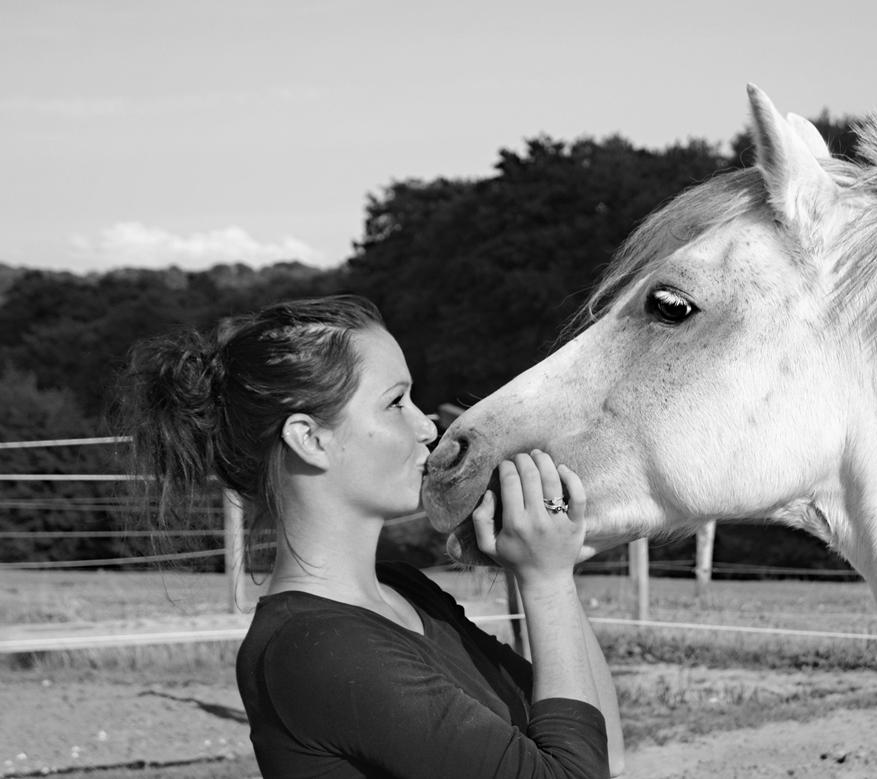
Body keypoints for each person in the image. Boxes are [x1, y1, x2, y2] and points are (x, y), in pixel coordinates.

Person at [118, 294, 624, 779]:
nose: (427, 427)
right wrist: (546, 582)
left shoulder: (407, 592)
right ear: (310, 439)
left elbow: (604, 752)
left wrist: (555, 566)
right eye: (395, 402)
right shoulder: (317, 649)